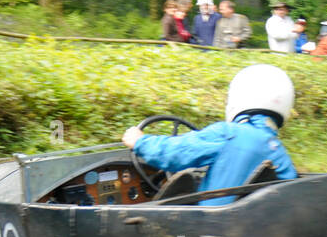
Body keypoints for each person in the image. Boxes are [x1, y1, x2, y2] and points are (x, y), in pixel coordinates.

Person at [121, 64, 299, 206]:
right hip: (252, 229)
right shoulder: (278, 151)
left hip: (211, 231)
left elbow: (176, 153)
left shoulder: (228, 134)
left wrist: (140, 141)